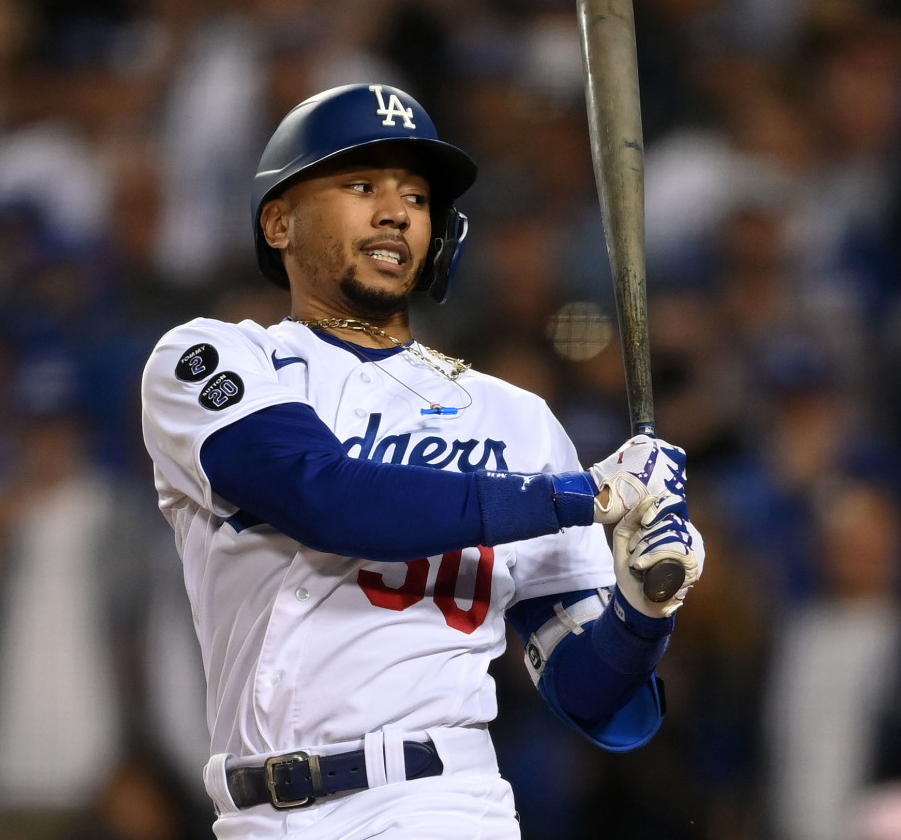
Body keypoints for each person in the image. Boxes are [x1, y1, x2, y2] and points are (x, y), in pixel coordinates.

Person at [140, 83, 705, 839]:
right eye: (361, 184)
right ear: (278, 221)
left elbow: (610, 711)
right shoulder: (218, 357)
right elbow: (324, 498)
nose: (394, 210)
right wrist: (577, 497)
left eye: (415, 194)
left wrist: (644, 611)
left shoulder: (516, 421)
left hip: (434, 803)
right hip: (251, 816)